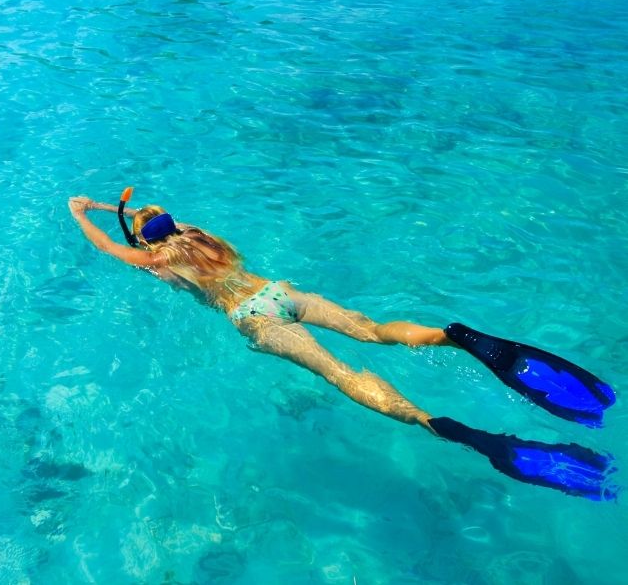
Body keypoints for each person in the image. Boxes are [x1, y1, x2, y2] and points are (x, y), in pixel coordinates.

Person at [68, 191, 618, 501]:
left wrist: (84, 215)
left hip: (256, 319)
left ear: (146, 241)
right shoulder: (204, 239)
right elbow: (169, 222)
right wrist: (140, 213)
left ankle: (433, 422)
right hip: (278, 292)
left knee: (340, 372)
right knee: (373, 330)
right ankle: (451, 336)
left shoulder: (160, 261)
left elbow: (112, 249)